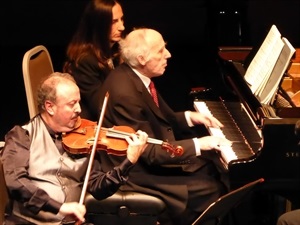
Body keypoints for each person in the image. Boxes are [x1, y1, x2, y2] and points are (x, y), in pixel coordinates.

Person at [91, 28, 233, 225]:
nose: (168, 54)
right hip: (135, 172)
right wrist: (200, 144)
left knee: (211, 167)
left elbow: (161, 117)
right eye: (160, 51)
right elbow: (148, 152)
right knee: (210, 188)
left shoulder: (136, 77)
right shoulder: (125, 95)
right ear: (142, 59)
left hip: (149, 156)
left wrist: (190, 117)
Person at [0, 72, 148, 225]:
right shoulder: (22, 135)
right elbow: (16, 182)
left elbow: (98, 188)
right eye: (72, 104)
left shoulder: (86, 137)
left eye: (79, 102)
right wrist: (59, 207)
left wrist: (128, 162)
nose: (78, 109)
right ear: (49, 107)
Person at [63, 0, 125, 121]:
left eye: (122, 19)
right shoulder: (85, 60)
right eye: (114, 22)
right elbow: (101, 107)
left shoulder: (115, 48)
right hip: (95, 124)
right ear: (99, 25)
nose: (122, 27)